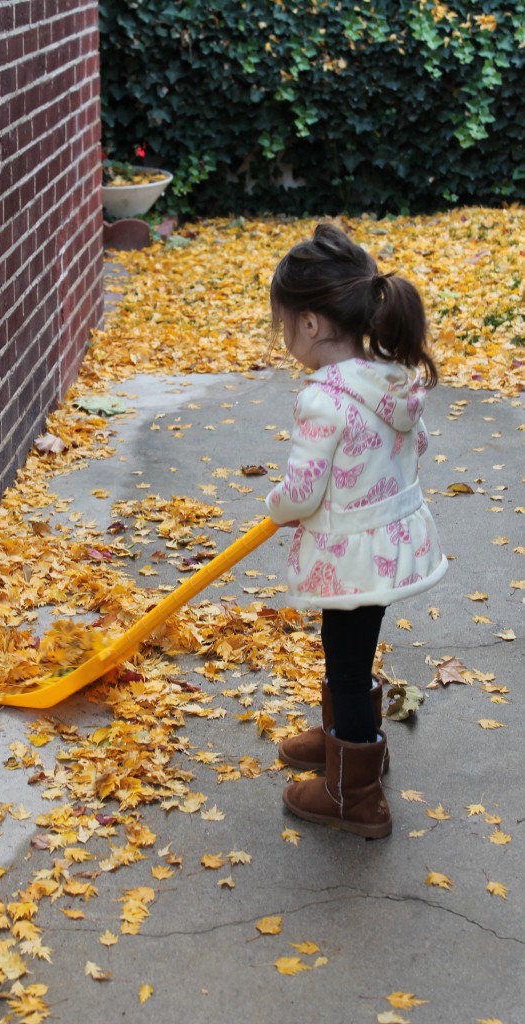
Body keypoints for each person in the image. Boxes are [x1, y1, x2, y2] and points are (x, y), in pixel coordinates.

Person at [265, 222, 447, 839]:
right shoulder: (390, 379)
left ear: (311, 324)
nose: (284, 336)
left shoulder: (325, 400)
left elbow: (301, 493)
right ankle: (351, 736)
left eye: (284, 324)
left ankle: (354, 793)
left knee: (343, 655)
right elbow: (416, 442)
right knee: (351, 648)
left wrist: (276, 506)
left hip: (349, 554)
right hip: (389, 545)